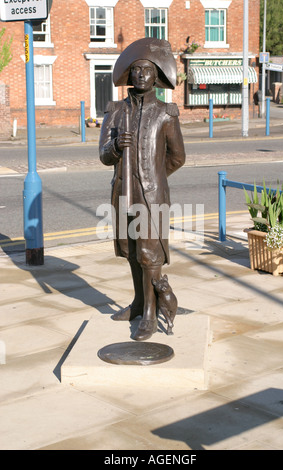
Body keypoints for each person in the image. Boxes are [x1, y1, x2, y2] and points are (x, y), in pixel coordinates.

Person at [99, 38, 186, 341]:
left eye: (146, 70)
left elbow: (177, 157)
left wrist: (155, 178)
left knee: (150, 255)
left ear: (156, 75)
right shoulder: (116, 110)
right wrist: (114, 146)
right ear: (129, 75)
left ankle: (150, 313)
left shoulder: (166, 112)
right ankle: (138, 303)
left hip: (152, 196)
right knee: (132, 251)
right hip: (124, 193)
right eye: (135, 70)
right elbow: (103, 156)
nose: (140, 75)